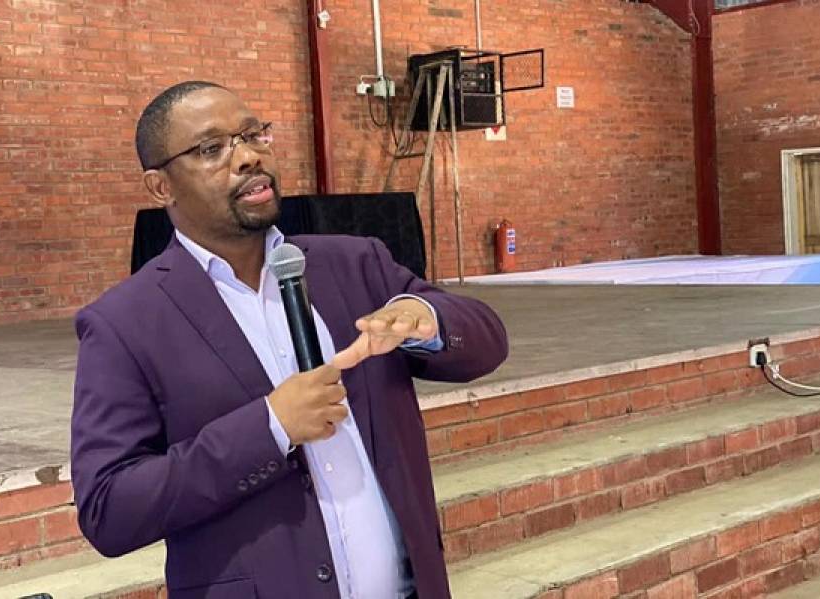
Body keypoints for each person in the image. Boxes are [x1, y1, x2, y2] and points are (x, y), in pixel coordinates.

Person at [70, 80, 508, 599]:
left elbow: (487, 340)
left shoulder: (355, 264)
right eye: (212, 149)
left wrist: (426, 318)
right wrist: (271, 426)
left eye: (253, 135)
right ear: (161, 187)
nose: (248, 157)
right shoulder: (125, 323)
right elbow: (109, 509)